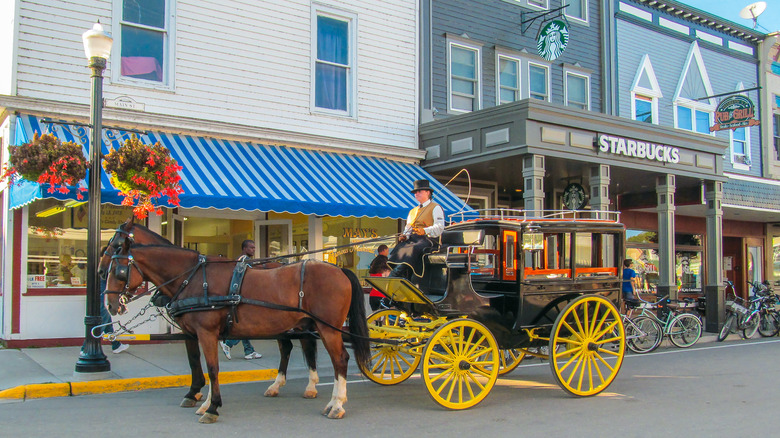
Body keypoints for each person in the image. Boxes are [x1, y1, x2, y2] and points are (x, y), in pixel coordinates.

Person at [388, 179, 445, 280]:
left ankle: (396, 274)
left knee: (411, 248)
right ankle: (401, 275)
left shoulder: (436, 208)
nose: (416, 194)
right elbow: (408, 227)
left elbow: (440, 227)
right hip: (414, 239)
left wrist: (425, 230)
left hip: (429, 239)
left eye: (419, 191)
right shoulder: (413, 211)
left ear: (428, 192)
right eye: (415, 192)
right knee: (399, 247)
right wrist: (405, 235)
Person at [220, 239, 263, 360]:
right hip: (243, 297)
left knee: (245, 325)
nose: (253, 250)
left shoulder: (243, 260)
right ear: (244, 248)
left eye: (254, 248)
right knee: (247, 325)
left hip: (242, 296)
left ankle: (249, 351)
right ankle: (228, 343)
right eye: (251, 248)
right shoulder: (244, 261)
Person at [98, 246, 128, 354]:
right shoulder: (107, 267)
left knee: (108, 324)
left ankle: (116, 345)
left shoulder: (101, 266)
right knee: (102, 323)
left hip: (102, 298)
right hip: (103, 299)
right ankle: (86, 347)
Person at [368, 244, 391, 311]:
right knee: (385, 319)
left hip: (373, 295)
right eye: (387, 250)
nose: (388, 253)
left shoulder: (373, 263)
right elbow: (388, 277)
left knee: (375, 318)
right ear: (383, 250)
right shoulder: (386, 263)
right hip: (383, 295)